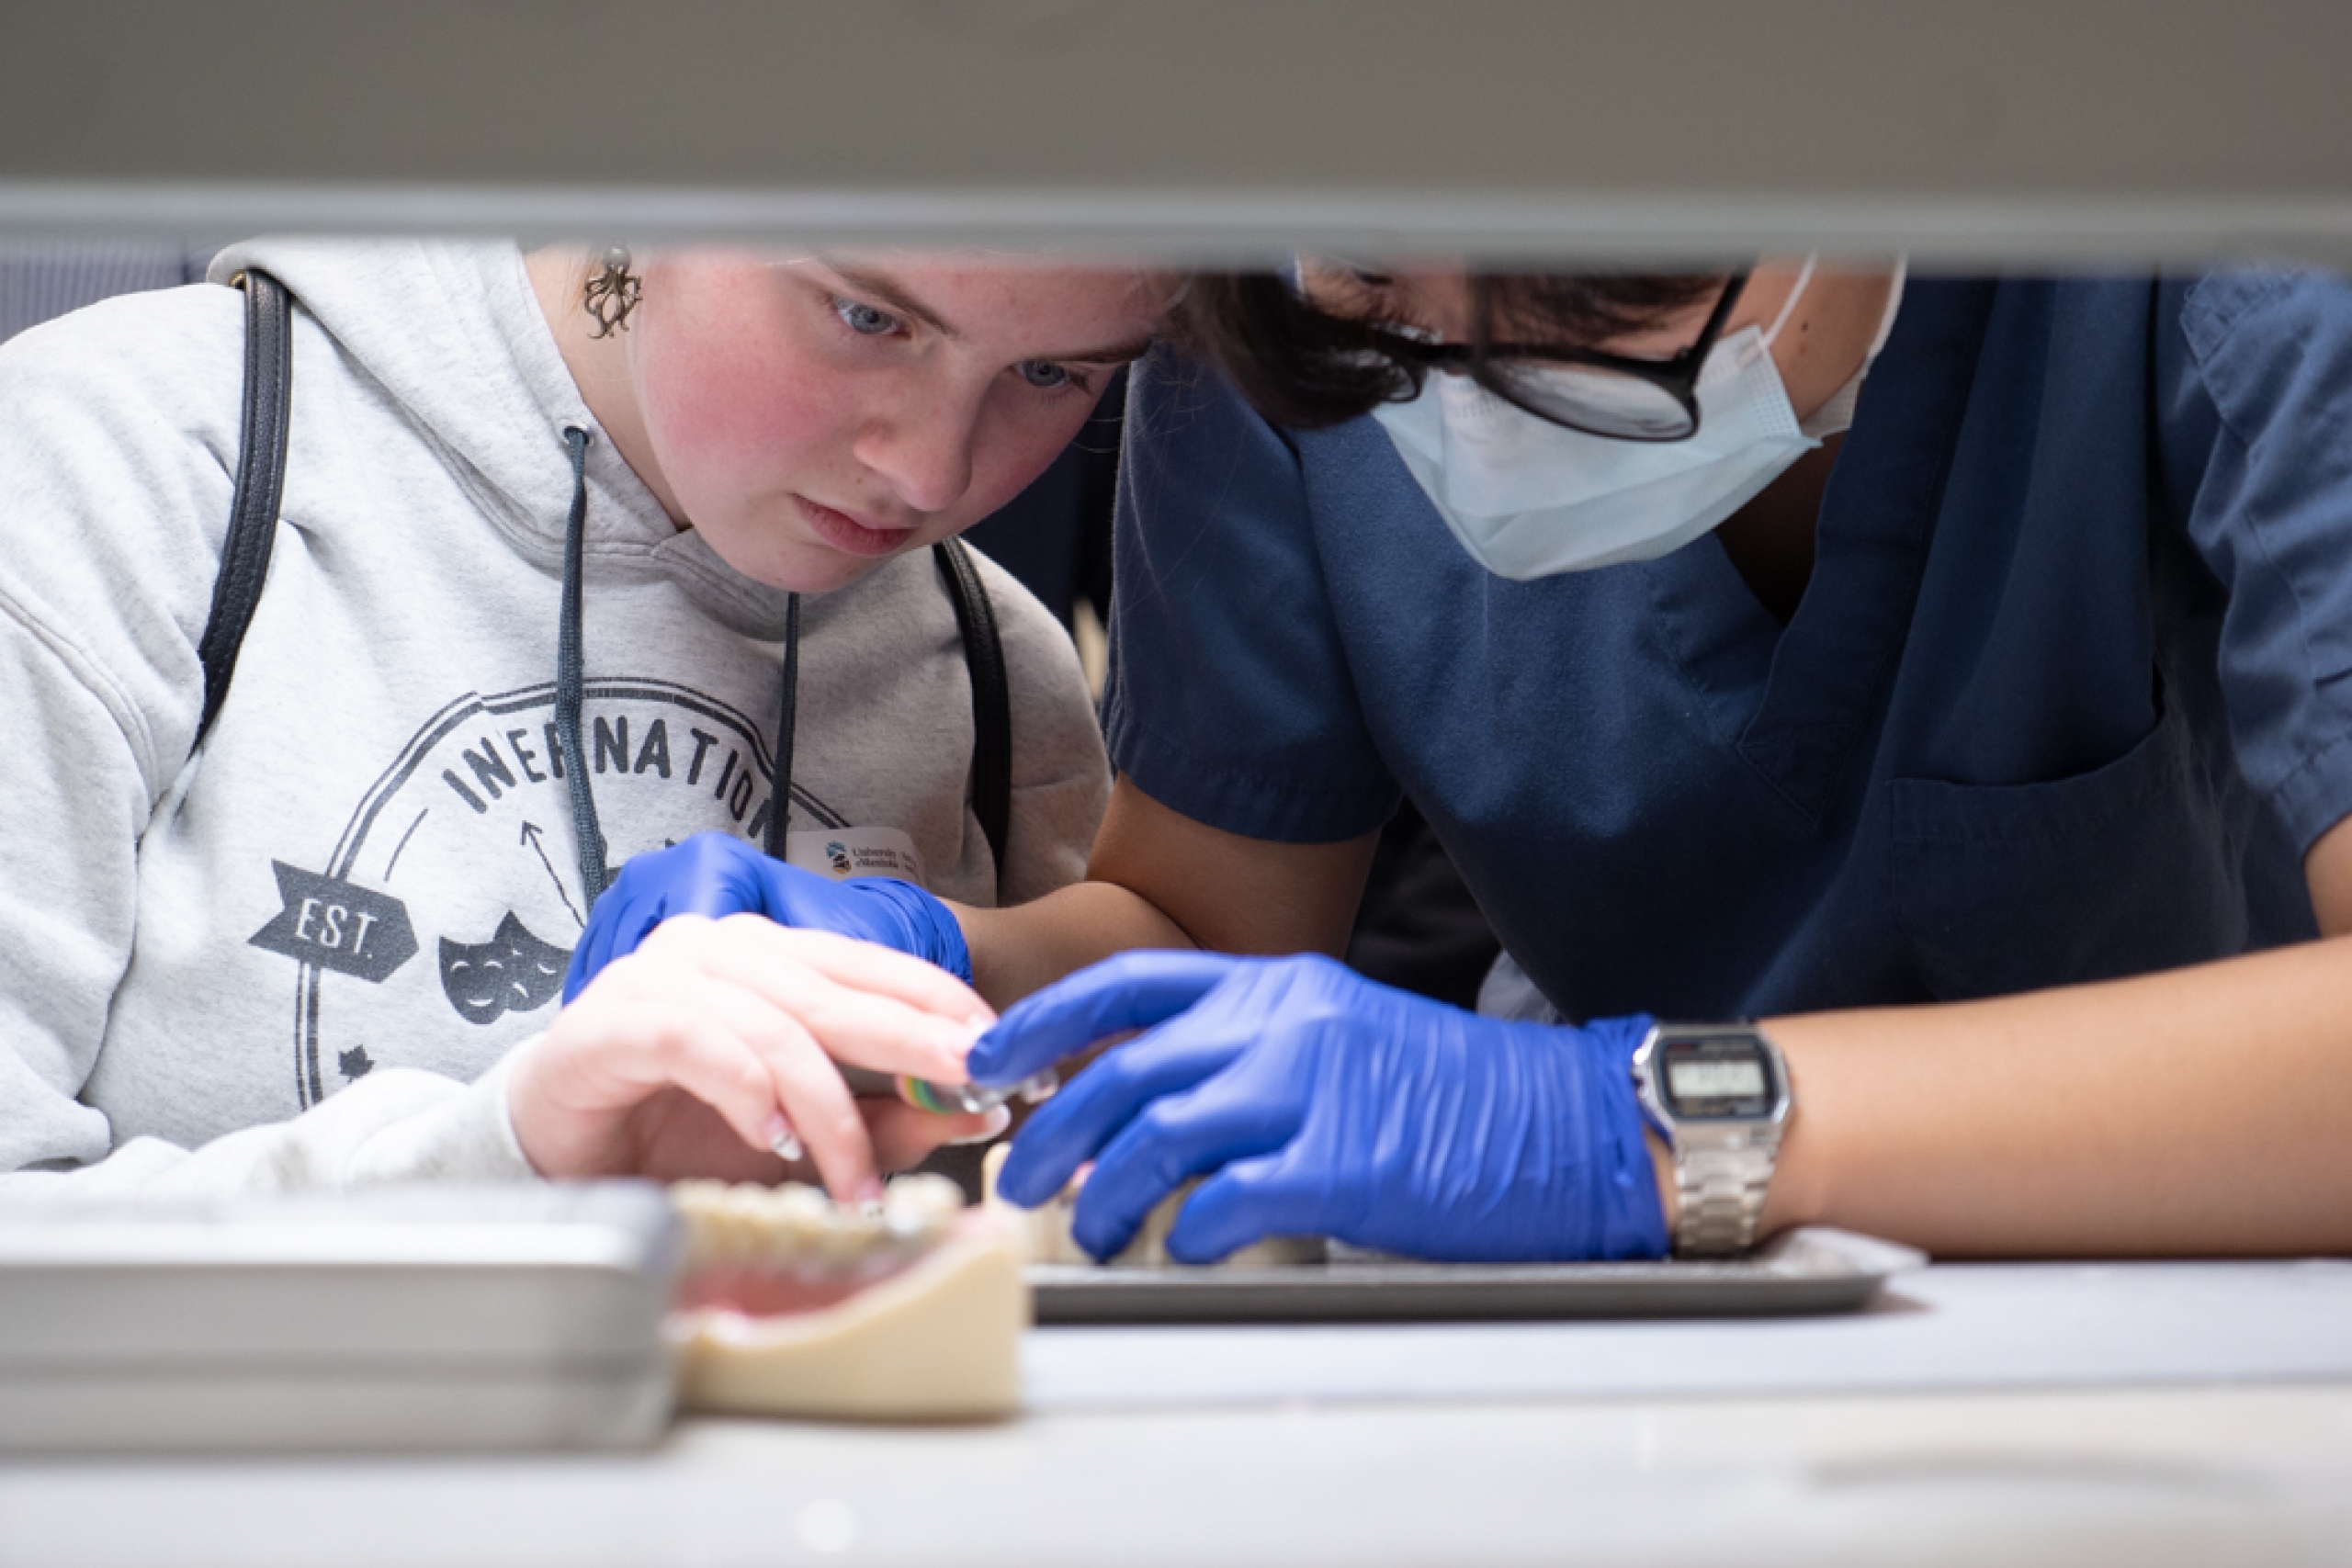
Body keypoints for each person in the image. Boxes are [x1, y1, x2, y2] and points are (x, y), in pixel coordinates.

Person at [578, 255, 2352, 1263]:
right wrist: (943, 976)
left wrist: (1633, 1126)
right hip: (1624, 1370)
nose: (1468, 399)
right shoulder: (1284, 351)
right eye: (1373, 291)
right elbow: (1215, 932)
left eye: (1599, 290)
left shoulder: (2227, 228)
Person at [0, 236, 1159, 1199]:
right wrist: (509, 1160)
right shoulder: (121, 464)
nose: (928, 474)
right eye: (866, 318)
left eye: (1053, 373)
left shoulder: (995, 659)